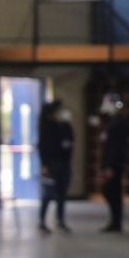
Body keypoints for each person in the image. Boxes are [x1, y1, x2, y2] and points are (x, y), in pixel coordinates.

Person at [38, 100, 74, 233]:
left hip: (64, 164)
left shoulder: (65, 126)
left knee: (62, 194)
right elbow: (42, 147)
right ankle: (42, 221)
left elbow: (70, 142)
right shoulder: (47, 127)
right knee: (48, 194)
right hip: (51, 165)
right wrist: (45, 165)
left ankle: (61, 220)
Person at [99, 92, 128, 233]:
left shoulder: (118, 123)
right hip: (109, 164)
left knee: (112, 192)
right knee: (110, 191)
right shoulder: (110, 122)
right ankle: (114, 221)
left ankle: (116, 222)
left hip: (114, 165)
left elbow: (116, 148)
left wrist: (110, 166)